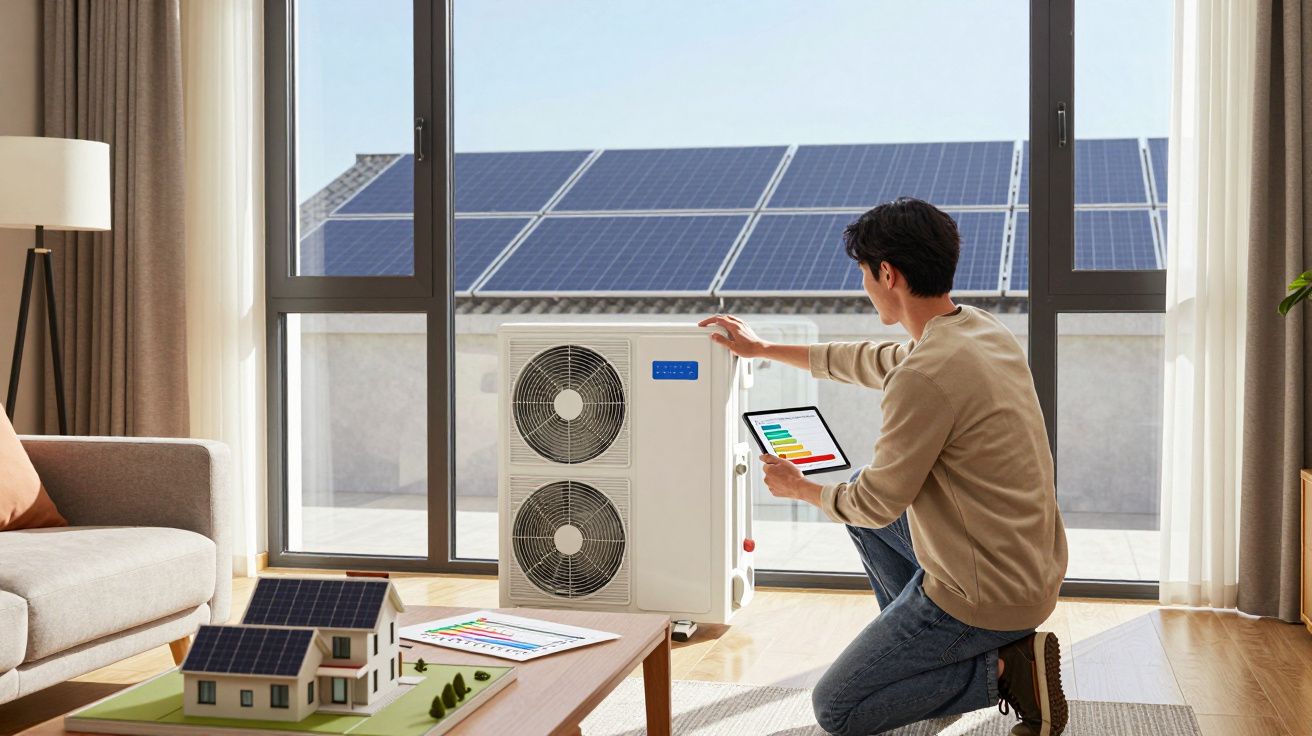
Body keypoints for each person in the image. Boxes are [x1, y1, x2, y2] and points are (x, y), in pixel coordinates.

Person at [699, 197, 1069, 736]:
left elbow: (876, 504)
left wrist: (800, 488)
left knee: (839, 709)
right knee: (852, 495)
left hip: (986, 592)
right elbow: (874, 359)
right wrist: (764, 348)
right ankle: (923, 660)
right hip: (1027, 564)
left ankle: (1005, 669)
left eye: (865, 275)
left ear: (887, 273)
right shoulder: (980, 331)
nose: (865, 287)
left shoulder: (925, 376)